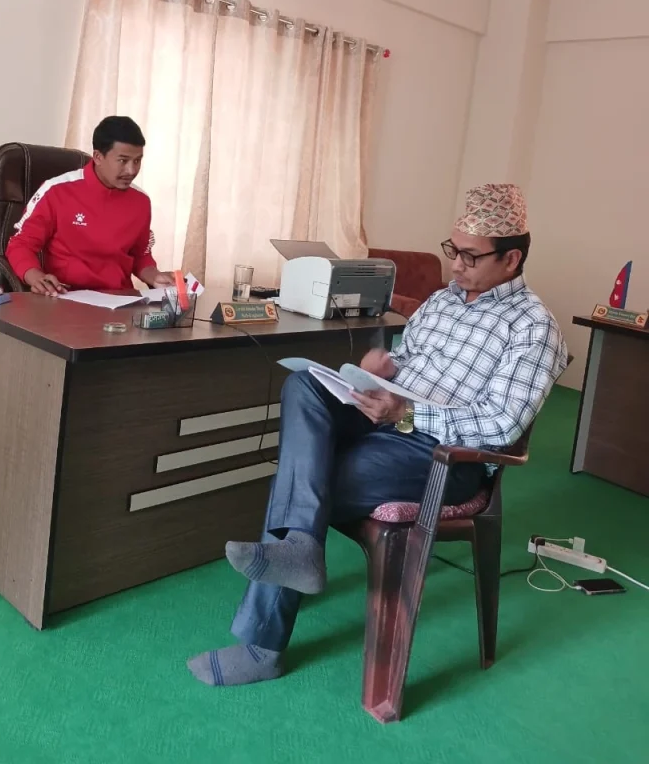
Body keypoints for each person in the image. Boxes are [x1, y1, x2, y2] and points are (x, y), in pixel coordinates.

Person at [187, 183, 568, 687]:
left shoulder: (534, 329)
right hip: (389, 418)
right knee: (305, 385)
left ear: (511, 258)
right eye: (453, 250)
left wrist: (406, 413)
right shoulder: (442, 302)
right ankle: (299, 551)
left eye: (471, 257)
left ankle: (263, 644)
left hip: (443, 456)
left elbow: (502, 425)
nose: (455, 265)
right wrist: (382, 369)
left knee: (308, 481)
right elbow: (410, 361)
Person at [6, 116, 174, 295]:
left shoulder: (141, 201)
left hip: (119, 300)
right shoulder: (55, 191)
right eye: (123, 161)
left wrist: (154, 277)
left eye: (137, 160)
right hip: (65, 296)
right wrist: (35, 277)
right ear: (98, 157)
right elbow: (20, 244)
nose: (131, 170)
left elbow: (140, 256)